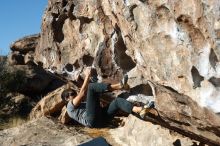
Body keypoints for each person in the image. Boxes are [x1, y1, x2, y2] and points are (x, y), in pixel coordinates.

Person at [61, 67, 153, 128]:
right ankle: (119, 86)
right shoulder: (69, 107)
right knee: (91, 87)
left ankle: (139, 110)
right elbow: (82, 93)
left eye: (73, 93)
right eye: (69, 95)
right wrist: (87, 76)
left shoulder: (82, 105)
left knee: (117, 102)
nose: (72, 94)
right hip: (92, 120)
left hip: (101, 121)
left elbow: (92, 99)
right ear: (66, 99)